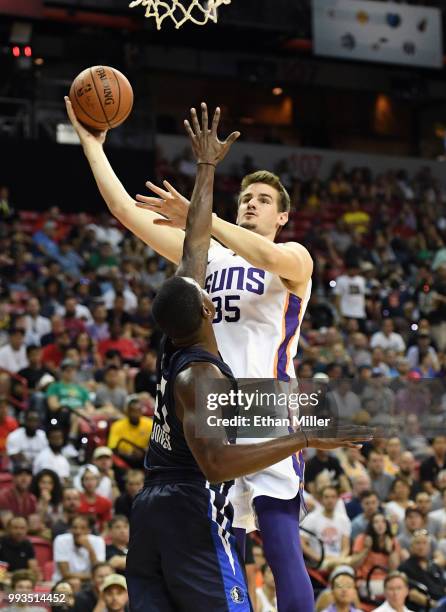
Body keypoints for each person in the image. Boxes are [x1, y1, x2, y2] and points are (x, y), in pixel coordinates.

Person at [67, 98, 371, 611]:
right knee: (225, 551)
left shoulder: (294, 257)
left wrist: (198, 218)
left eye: (262, 200)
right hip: (212, 406)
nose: (250, 204)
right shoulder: (211, 253)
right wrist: (92, 144)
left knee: (281, 551)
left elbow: (268, 256)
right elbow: (124, 211)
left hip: (267, 403)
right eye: (245, 197)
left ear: (283, 214)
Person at [53, 514, 106, 582]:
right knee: (75, 582)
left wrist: (90, 549)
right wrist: (94, 576)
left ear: (89, 530)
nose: (78, 531)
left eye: (83, 528)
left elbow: (100, 569)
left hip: (90, 582)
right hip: (64, 582)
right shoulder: (60, 540)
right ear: (70, 529)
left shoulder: (98, 541)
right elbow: (65, 574)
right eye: (75, 528)